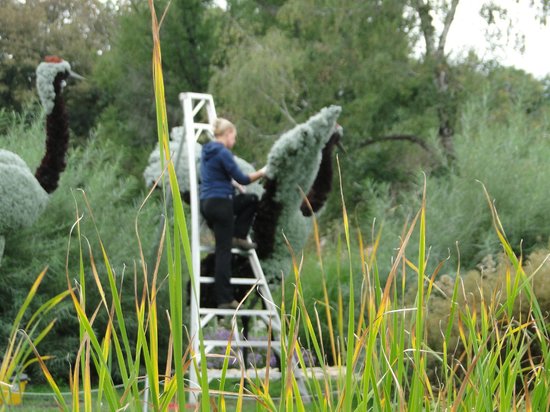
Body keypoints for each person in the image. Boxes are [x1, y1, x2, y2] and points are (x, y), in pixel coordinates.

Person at [200, 118, 266, 309]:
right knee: (223, 252)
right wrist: (263, 171)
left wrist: (231, 184)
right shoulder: (223, 153)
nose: (234, 141)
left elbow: (215, 175)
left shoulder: (207, 151)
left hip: (208, 204)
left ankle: (238, 236)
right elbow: (244, 179)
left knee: (250, 200)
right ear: (227, 134)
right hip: (222, 205)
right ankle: (225, 299)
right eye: (234, 137)